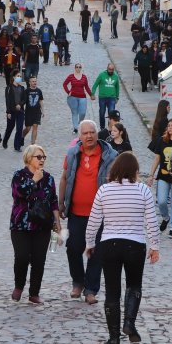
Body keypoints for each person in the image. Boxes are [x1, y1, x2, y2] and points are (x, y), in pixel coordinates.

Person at [86, 152, 159, 344]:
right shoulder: (143, 190)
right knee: (134, 286)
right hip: (135, 244)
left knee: (112, 291)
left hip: (110, 244)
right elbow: (151, 221)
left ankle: (114, 338)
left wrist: (90, 243)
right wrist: (155, 246)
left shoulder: (104, 190)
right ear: (135, 170)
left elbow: (93, 221)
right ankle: (129, 323)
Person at [59, 120, 118, 304]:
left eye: (92, 132)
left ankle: (91, 289)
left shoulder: (110, 155)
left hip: (101, 214)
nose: (89, 136)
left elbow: (117, 183)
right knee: (73, 247)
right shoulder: (72, 154)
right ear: (80, 136)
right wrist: (61, 203)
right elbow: (64, 178)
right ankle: (78, 282)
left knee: (97, 251)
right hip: (76, 212)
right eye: (85, 133)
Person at [10, 144, 61, 304]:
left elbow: (53, 201)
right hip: (21, 225)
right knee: (22, 257)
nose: (42, 160)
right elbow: (19, 193)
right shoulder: (19, 175)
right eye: (38, 157)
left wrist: (57, 222)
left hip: (42, 225)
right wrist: (34, 180)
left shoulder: (49, 178)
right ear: (28, 158)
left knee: (39, 259)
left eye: (43, 157)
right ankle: (19, 286)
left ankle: (34, 293)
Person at [90, 63, 120, 131]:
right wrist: (92, 94)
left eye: (112, 69)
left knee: (111, 114)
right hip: (102, 97)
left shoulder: (115, 76)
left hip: (112, 98)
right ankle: (102, 128)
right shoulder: (102, 75)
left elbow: (117, 87)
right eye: (109, 69)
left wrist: (117, 97)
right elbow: (95, 84)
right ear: (107, 68)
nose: (110, 71)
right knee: (102, 113)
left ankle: (110, 128)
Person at [63, 63, 92, 133]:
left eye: (79, 67)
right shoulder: (71, 76)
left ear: (81, 68)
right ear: (75, 68)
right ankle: (76, 128)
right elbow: (64, 84)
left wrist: (91, 94)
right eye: (77, 67)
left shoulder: (84, 77)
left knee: (83, 113)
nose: (78, 68)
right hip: (73, 97)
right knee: (74, 112)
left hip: (82, 97)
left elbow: (86, 87)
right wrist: (68, 92)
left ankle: (79, 123)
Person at [3, 72, 27, 152]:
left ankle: (17, 146)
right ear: (13, 77)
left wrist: (20, 104)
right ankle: (5, 140)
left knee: (19, 128)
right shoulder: (9, 88)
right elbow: (7, 101)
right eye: (18, 76)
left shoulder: (22, 88)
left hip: (20, 111)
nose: (19, 77)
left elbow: (24, 99)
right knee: (10, 127)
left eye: (20, 76)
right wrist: (8, 112)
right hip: (11, 111)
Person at [22, 76, 44, 145]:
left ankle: (33, 143)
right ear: (30, 82)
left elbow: (41, 100)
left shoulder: (39, 91)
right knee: (28, 128)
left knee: (35, 126)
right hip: (28, 112)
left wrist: (43, 110)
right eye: (33, 81)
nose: (34, 83)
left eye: (35, 81)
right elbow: (23, 101)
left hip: (37, 112)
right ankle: (22, 136)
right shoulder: (26, 91)